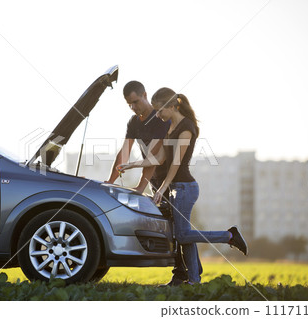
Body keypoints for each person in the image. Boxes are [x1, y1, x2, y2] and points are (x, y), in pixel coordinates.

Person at [117, 87, 248, 284]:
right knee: (185, 236)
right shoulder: (171, 127)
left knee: (183, 234)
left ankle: (229, 235)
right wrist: (132, 164)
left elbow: (176, 164)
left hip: (185, 188)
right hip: (178, 188)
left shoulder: (186, 128)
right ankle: (194, 282)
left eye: (160, 111)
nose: (158, 115)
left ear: (172, 106)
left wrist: (162, 188)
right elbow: (159, 158)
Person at [105, 81, 189, 285]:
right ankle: (184, 274)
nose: (134, 107)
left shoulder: (161, 119)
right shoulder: (133, 122)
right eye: (129, 104)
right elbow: (124, 152)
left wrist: (141, 187)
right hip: (154, 183)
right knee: (172, 228)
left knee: (179, 228)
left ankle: (184, 274)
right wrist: (110, 181)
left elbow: (153, 157)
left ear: (144, 94)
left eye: (135, 101)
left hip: (171, 182)